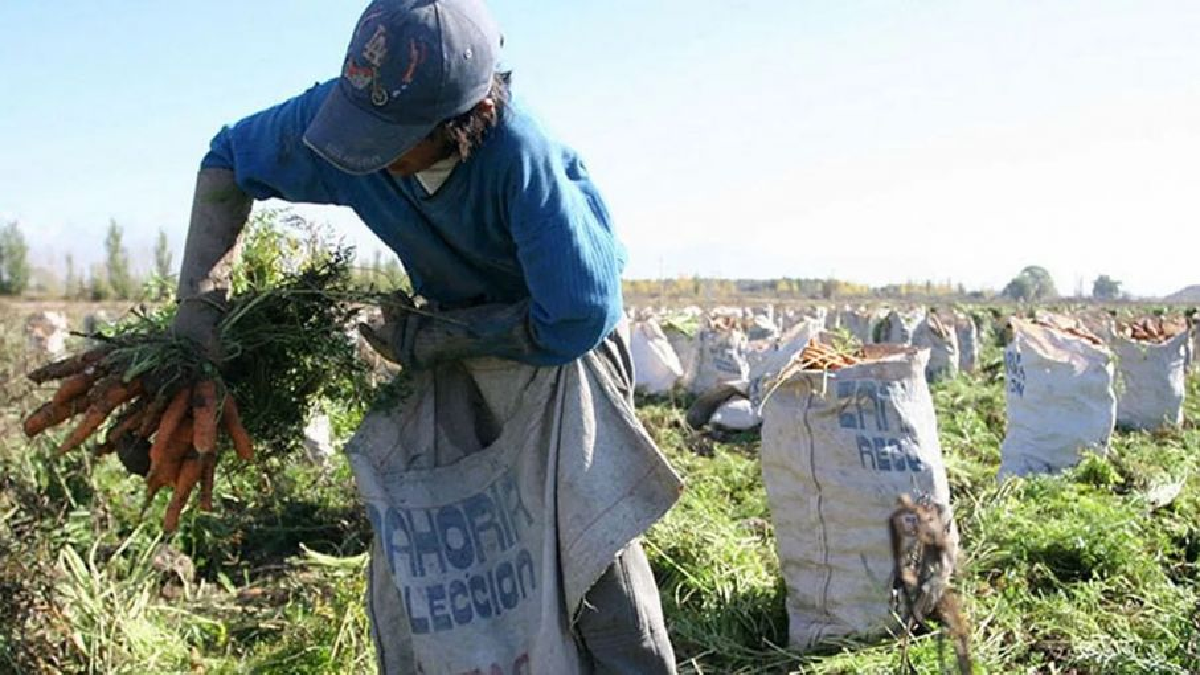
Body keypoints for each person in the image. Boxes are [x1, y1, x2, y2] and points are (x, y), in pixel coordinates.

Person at [170, 0, 680, 672]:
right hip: (450, 340)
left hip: (558, 353)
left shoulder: (519, 158)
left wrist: (431, 337)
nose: (369, 156)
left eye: (393, 139)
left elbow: (576, 315)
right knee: (439, 545)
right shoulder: (344, 129)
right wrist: (197, 328)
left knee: (586, 553)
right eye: (364, 129)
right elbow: (228, 158)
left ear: (463, 124)